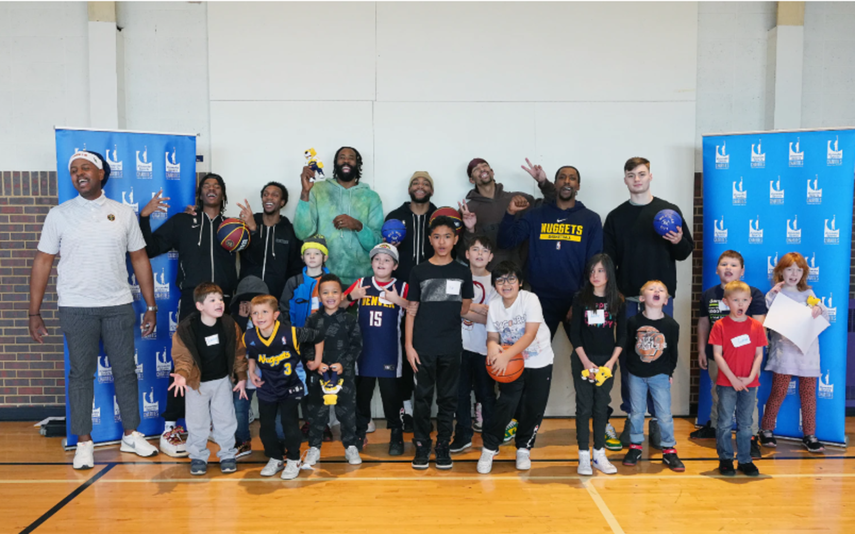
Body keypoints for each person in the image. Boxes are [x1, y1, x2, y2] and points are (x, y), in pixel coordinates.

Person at [29, 150, 160, 469]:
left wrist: (151, 305)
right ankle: (84, 442)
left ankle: (131, 434)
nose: (78, 173)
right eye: (73, 170)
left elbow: (140, 258)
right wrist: (34, 312)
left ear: (102, 174)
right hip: (75, 307)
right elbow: (43, 261)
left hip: (117, 306)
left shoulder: (123, 213)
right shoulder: (59, 214)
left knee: (126, 372)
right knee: (80, 375)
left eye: (85, 167)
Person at [140, 173, 238, 451]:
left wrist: (251, 231)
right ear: (199, 193)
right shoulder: (184, 222)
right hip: (193, 302)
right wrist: (144, 218)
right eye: (206, 186)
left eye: (217, 186)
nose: (211, 189)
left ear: (223, 193)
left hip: (224, 303)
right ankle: (171, 424)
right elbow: (150, 248)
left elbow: (252, 258)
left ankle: (210, 425)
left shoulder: (233, 226)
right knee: (185, 360)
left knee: (220, 362)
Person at [603, 157, 693, 447]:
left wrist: (678, 239)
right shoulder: (616, 217)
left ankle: (657, 421)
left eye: (642, 174)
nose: (637, 179)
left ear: (650, 176)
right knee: (632, 360)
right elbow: (608, 261)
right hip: (628, 300)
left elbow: (684, 252)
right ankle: (633, 420)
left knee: (660, 358)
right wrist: (613, 295)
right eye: (631, 175)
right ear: (625, 180)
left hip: (660, 302)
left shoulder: (669, 211)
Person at [406, 216, 474, 470]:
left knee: (448, 399)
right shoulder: (419, 271)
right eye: (437, 236)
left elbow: (465, 307)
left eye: (447, 236)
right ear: (430, 240)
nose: (442, 241)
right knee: (422, 398)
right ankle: (422, 445)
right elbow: (411, 311)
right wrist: (409, 346)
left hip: (450, 347)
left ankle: (443, 445)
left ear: (455, 240)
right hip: (422, 347)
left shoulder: (462, 271)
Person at [476, 261, 554, 474]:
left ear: (520, 283)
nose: (506, 284)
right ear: (495, 286)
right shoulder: (494, 305)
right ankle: (490, 447)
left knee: (533, 407)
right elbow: (492, 335)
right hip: (512, 365)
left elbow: (529, 334)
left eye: (511, 279)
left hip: (539, 360)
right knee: (506, 405)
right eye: (500, 280)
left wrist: (505, 355)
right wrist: (492, 347)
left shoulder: (530, 300)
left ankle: (523, 449)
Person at [693, 250, 767, 461]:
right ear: (716, 269)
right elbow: (704, 323)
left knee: (747, 398)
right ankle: (717, 428)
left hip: (746, 356)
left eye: (734, 265)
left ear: (742, 271)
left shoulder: (754, 293)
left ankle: (751, 438)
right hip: (718, 355)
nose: (728, 268)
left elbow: (759, 325)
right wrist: (700, 349)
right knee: (719, 392)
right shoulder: (709, 294)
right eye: (724, 264)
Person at [168, 283, 248, 476]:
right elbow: (183, 357)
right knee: (197, 422)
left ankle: (228, 454)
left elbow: (238, 353)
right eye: (212, 300)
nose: (219, 303)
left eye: (220, 299)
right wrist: (182, 375)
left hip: (222, 381)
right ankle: (198, 456)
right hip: (197, 384)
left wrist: (242, 377)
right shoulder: (187, 329)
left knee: (225, 419)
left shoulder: (229, 324)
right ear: (200, 306)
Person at [245, 295, 324, 480]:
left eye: (265, 312)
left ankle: (294, 459)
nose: (259, 316)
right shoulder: (248, 335)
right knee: (266, 427)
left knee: (289, 424)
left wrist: (318, 360)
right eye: (255, 313)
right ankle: (275, 458)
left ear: (276, 315)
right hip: (267, 385)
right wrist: (251, 370)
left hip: (291, 384)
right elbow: (251, 352)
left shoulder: (292, 333)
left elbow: (319, 336)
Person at [758, 252, 829, 454]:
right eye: (789, 269)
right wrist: (772, 293)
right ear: (781, 271)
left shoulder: (808, 293)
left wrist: (818, 309)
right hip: (785, 350)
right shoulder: (775, 294)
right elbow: (769, 312)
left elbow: (821, 310)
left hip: (807, 352)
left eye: (799, 270)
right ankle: (767, 429)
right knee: (778, 391)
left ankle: (810, 435)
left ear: (804, 273)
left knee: (808, 395)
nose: (794, 274)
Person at [343, 243, 409, 456]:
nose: (381, 263)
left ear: (395, 265)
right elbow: (339, 305)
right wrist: (353, 296)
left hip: (390, 351)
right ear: (371, 262)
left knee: (392, 397)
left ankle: (396, 434)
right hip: (364, 352)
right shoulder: (361, 283)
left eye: (387, 260)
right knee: (362, 395)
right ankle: (360, 433)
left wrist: (397, 300)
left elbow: (416, 307)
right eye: (377, 259)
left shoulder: (402, 286)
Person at [385, 171, 438, 431]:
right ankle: (405, 409)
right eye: (415, 182)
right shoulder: (395, 216)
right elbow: (386, 254)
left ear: (432, 189)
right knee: (403, 355)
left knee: (427, 353)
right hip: (402, 292)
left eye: (425, 182)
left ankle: (424, 410)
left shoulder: (440, 217)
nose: (420, 186)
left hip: (432, 292)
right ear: (409, 189)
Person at [568, 254, 626, 475]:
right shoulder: (581, 298)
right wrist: (586, 363)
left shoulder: (617, 301)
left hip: (606, 363)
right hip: (584, 359)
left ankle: (599, 454)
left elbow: (622, 336)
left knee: (601, 407)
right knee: (584, 407)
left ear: (609, 273)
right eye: (592, 271)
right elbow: (575, 335)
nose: (595, 275)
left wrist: (611, 363)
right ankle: (584, 455)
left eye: (600, 271)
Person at [295, 146, 383, 287]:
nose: (346, 160)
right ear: (335, 163)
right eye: (342, 157)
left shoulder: (371, 197)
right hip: (323, 279)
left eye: (351, 158)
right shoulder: (317, 190)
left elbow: (377, 244)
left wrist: (358, 226)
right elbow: (302, 233)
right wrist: (305, 192)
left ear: (358, 164)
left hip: (361, 281)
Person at [621, 280, 684, 472]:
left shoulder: (671, 325)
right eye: (651, 289)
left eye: (661, 290)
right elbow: (628, 350)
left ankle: (668, 449)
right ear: (642, 298)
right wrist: (631, 371)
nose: (656, 291)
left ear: (666, 300)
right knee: (636, 412)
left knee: (664, 414)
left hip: (660, 376)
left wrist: (669, 372)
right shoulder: (633, 322)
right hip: (636, 376)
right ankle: (635, 446)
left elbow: (673, 351)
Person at [708, 281, 767, 477]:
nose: (740, 304)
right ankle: (725, 458)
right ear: (726, 302)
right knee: (724, 422)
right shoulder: (720, 325)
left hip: (749, 383)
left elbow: (759, 354)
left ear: (750, 302)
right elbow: (717, 354)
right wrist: (732, 379)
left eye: (744, 300)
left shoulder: (757, 326)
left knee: (746, 423)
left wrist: (750, 376)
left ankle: (745, 459)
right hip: (727, 383)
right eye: (735, 300)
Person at [303, 274, 363, 466]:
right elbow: (305, 345)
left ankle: (351, 447)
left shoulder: (349, 319)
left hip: (343, 375)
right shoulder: (312, 320)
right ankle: (314, 448)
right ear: (319, 296)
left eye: (335, 292)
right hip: (317, 375)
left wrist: (343, 364)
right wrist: (316, 363)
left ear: (342, 295)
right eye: (325, 292)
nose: (330, 296)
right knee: (316, 412)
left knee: (347, 412)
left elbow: (356, 346)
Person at [460, 157, 555, 269]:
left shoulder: (519, 199)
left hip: (521, 275)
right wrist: (470, 230)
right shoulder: (468, 210)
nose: (482, 169)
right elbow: (463, 253)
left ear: (492, 172)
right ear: (472, 180)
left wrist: (543, 183)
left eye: (484, 165)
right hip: (487, 277)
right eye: (476, 169)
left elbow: (553, 207)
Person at [450, 233, 497, 453]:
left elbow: (495, 318)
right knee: (459, 394)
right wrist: (477, 309)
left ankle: (490, 437)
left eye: (484, 250)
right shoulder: (457, 276)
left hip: (485, 346)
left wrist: (466, 309)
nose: (479, 254)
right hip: (459, 346)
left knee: (486, 393)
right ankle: (462, 435)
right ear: (467, 254)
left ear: (491, 257)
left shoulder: (496, 282)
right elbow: (450, 309)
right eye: (475, 249)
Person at [236, 181, 303, 300]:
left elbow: (296, 267)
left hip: (277, 297)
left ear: (282, 202)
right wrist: (252, 230)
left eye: (275, 195)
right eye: (265, 194)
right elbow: (248, 256)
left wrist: (289, 296)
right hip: (247, 296)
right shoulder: (246, 225)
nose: (269, 197)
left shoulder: (290, 231)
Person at [228, 275, 271, 458]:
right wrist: (240, 318)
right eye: (244, 301)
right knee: (239, 407)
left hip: (267, 370)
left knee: (270, 408)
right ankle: (243, 441)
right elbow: (233, 344)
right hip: (242, 370)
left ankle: (274, 442)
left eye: (254, 300)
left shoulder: (270, 318)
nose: (249, 305)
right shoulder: (233, 320)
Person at [280, 235, 330, 327]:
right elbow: (285, 309)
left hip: (325, 335)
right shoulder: (294, 282)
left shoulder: (331, 282)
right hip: (299, 334)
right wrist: (291, 332)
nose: (312, 257)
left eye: (317, 253)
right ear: (302, 257)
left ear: (325, 258)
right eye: (307, 254)